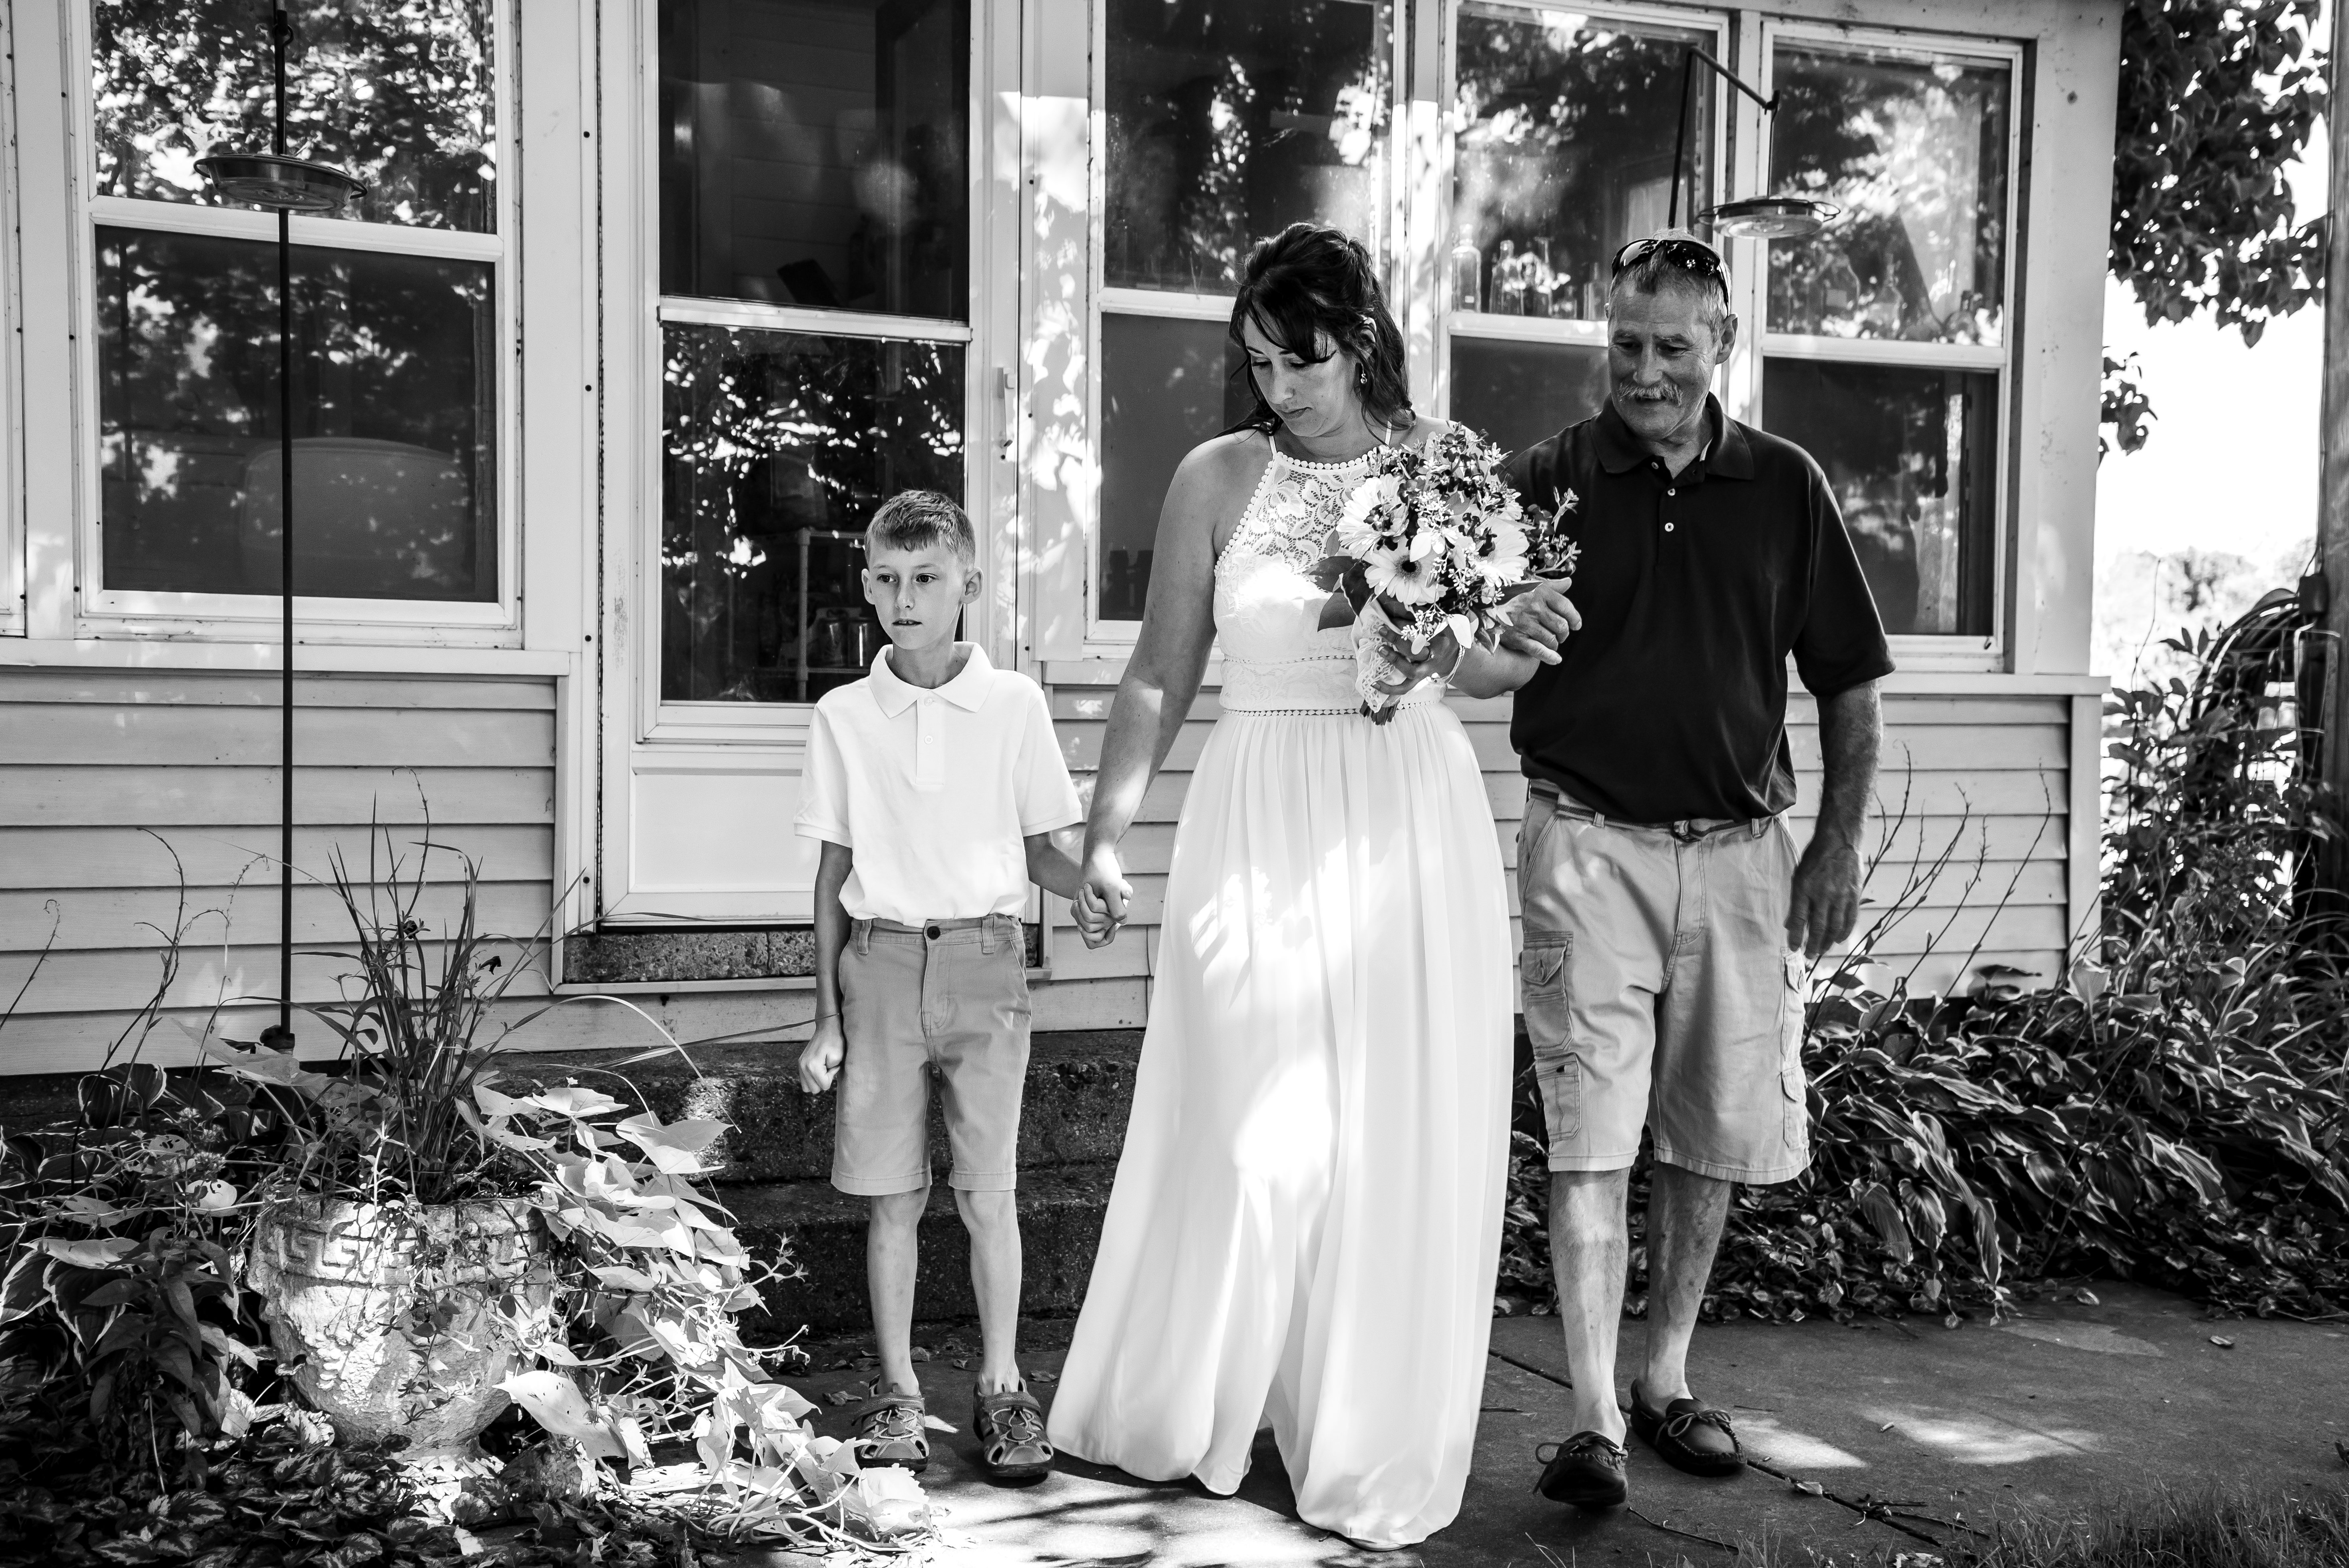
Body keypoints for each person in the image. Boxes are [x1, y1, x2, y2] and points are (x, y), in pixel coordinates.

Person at [1047, 223, 1541, 1549]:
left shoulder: (1439, 463)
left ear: (1358, 341)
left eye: (1301, 360)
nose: (1278, 386)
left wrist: (1441, 635)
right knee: (1248, 1128)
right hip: (1254, 809)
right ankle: (1202, 1393)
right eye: (1258, 362)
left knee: (1384, 1125)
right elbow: (1158, 669)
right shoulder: (1215, 476)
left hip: (1400, 812)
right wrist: (1104, 833)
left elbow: (1491, 668)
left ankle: (1358, 1420)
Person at [1496, 231, 1892, 1510]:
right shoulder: (1543, 479)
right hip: (1584, 847)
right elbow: (1431, 620)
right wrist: (1489, 617)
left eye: (1671, 345)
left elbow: (1848, 682)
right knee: (1587, 1135)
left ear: (1722, 344)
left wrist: (1834, 844)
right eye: (1624, 343)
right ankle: (1592, 1418)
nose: (1644, 371)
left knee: (1705, 1133)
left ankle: (1664, 1376)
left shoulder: (1783, 484)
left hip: (1736, 859)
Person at [794, 489, 1107, 1483]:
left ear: (968, 584)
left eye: (926, 579)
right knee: (892, 1198)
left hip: (985, 962)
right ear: (865, 584)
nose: (905, 598)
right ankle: (897, 1394)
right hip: (880, 966)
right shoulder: (844, 715)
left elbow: (1042, 849)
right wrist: (825, 1018)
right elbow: (831, 873)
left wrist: (1087, 882)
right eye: (887, 579)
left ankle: (1003, 1388)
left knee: (988, 1194)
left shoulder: (1012, 704)